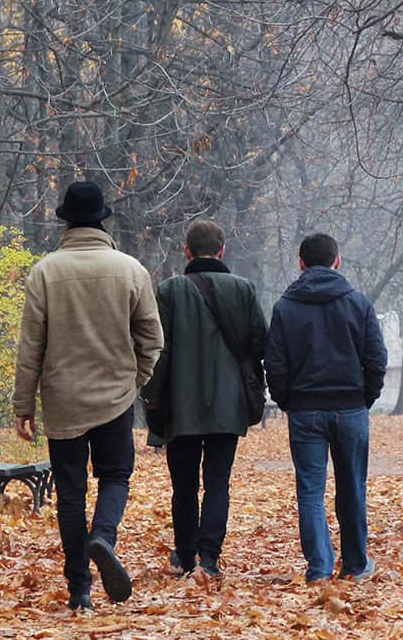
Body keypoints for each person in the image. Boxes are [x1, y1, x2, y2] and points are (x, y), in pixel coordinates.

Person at [14, 179, 162, 612]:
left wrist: (23, 405)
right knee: (115, 476)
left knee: (70, 492)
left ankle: (79, 589)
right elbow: (152, 338)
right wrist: (135, 379)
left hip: (62, 400)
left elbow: (31, 348)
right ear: (101, 221)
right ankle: (104, 536)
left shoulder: (44, 272)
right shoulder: (131, 270)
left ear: (66, 223)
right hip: (115, 397)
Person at [140, 219, 267, 578]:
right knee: (217, 482)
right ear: (222, 250)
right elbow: (259, 341)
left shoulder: (169, 291)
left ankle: (185, 553)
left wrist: (152, 399)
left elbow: (157, 352)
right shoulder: (244, 290)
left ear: (187, 251)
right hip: (229, 405)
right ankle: (209, 557)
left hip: (181, 405)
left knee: (183, 485)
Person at [264, 231, 387, 582]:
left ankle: (319, 567)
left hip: (305, 410)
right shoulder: (358, 304)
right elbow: (376, 359)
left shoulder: (286, 307)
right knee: (352, 487)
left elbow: (275, 363)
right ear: (337, 261)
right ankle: (355, 564)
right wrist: (364, 398)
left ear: (301, 264)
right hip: (350, 408)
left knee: (310, 491)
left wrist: (288, 400)